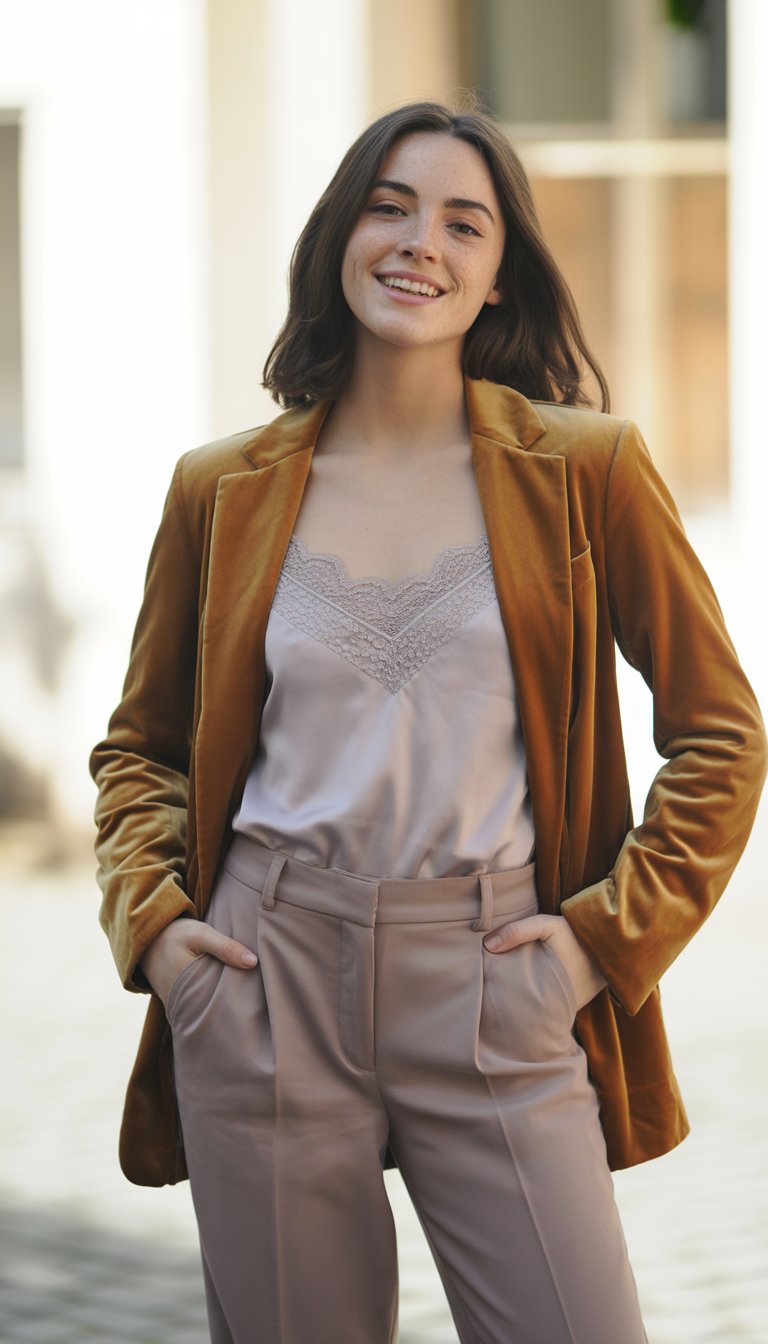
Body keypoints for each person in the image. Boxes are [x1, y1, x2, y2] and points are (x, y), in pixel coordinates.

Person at [90, 100, 766, 1344]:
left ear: (499, 274)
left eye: (464, 223)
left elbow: (723, 732)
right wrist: (164, 936)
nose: (420, 243)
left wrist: (595, 946)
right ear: (340, 236)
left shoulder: (588, 470)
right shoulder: (220, 489)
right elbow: (142, 748)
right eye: (390, 207)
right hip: (262, 979)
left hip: (497, 977)